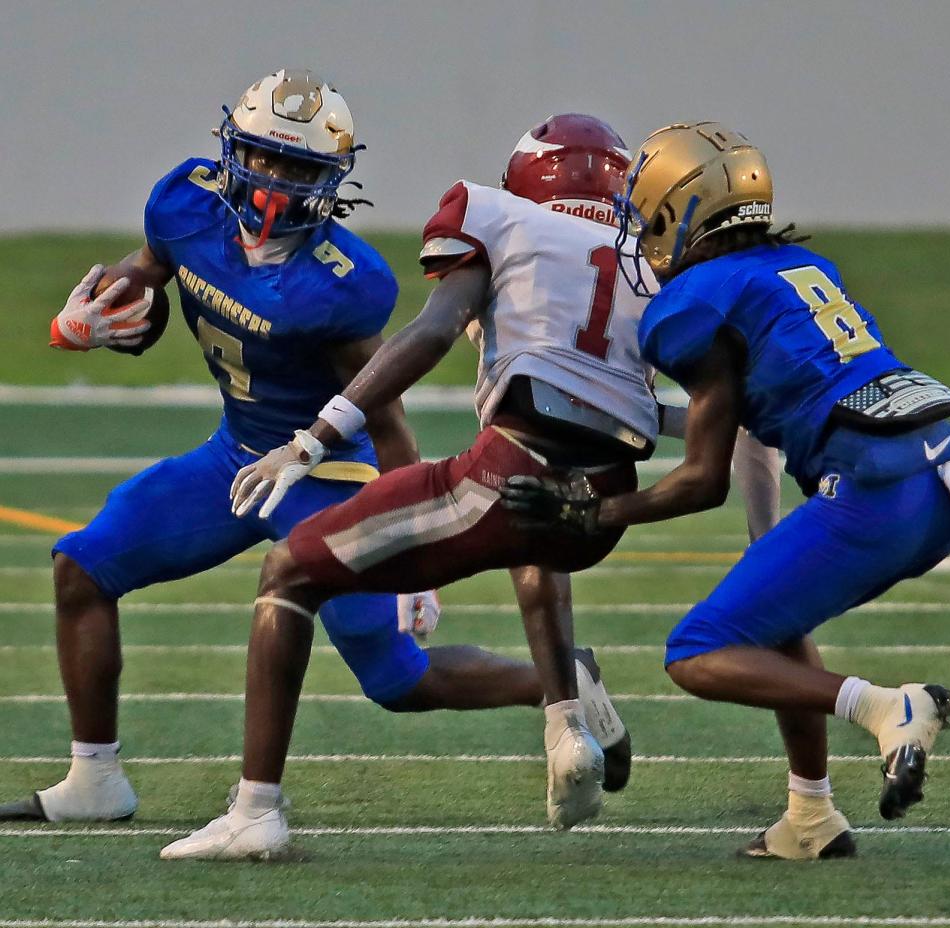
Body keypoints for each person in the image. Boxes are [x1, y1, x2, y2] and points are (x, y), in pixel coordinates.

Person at [0, 74, 627, 828]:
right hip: (235, 457)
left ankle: (557, 679)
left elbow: (386, 416)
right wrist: (100, 312)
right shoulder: (185, 204)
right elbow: (150, 274)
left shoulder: (342, 281)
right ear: (234, 152)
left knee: (398, 681)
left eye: (299, 168)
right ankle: (95, 779)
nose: (276, 181)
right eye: (265, 158)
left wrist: (416, 561)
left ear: (331, 180)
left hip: (324, 474)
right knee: (82, 567)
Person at [161, 114, 782, 861]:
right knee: (536, 524)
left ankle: (254, 810)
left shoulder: (497, 219)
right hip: (601, 504)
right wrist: (764, 537)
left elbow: (428, 333)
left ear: (527, 180)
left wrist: (315, 436)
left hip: (505, 473)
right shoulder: (651, 268)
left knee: (288, 570)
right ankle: (565, 722)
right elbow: (669, 413)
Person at [500, 122, 950, 857]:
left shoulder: (695, 303)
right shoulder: (802, 267)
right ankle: (810, 817)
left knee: (697, 650)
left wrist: (594, 510)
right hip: (940, 468)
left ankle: (886, 707)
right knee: (776, 615)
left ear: (677, 214)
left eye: (645, 214)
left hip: (878, 488)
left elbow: (699, 481)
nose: (639, 233)